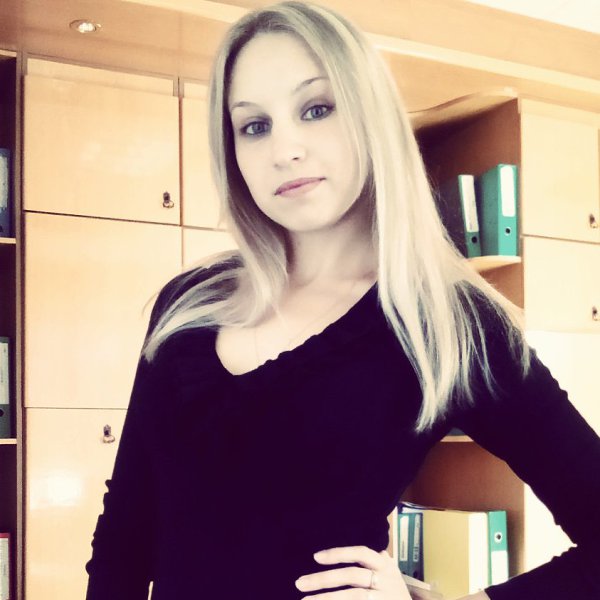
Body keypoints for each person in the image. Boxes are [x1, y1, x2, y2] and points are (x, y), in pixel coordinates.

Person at [85, 2, 600, 599]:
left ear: (370, 116)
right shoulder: (189, 303)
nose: (284, 150)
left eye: (317, 109)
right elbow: (125, 532)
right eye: (254, 125)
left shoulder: (446, 323)